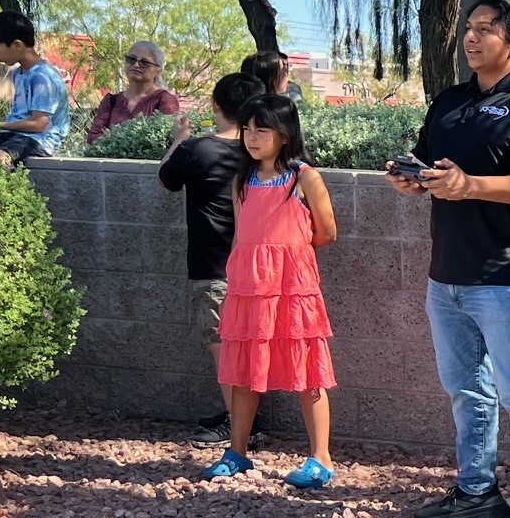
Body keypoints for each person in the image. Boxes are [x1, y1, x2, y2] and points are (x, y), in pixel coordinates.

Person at [392, 0, 510, 518]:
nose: (472, 37)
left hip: (506, 275)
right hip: (446, 274)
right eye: (469, 26)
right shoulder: (448, 101)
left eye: (487, 29)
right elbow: (429, 163)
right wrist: (413, 178)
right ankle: (475, 490)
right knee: (465, 388)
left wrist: (471, 185)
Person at [197, 93, 339, 488]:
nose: (252, 137)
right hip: (249, 288)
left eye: (263, 129)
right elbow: (243, 236)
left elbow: (326, 232)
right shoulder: (242, 179)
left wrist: (286, 256)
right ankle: (237, 453)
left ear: (285, 132)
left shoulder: (305, 176)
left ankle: (321, 458)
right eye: (247, 129)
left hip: (294, 288)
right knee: (243, 370)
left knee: (309, 371)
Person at [159, 72, 255, 445]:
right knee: (242, 349)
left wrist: (178, 141)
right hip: (252, 265)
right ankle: (241, 417)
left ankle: (239, 428)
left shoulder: (198, 150)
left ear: (216, 106)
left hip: (212, 266)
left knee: (223, 349)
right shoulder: (257, 151)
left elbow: (166, 178)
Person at [0, 12, 71, 166]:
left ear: (17, 45)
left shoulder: (43, 78)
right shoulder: (18, 73)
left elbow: (39, 124)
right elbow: (18, 117)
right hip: (15, 135)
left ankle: (10, 189)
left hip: (40, 139)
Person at [86, 41, 183, 144]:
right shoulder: (111, 101)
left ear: (158, 70)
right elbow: (93, 138)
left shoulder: (165, 99)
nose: (136, 65)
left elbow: (167, 139)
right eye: (131, 59)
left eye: (144, 62)